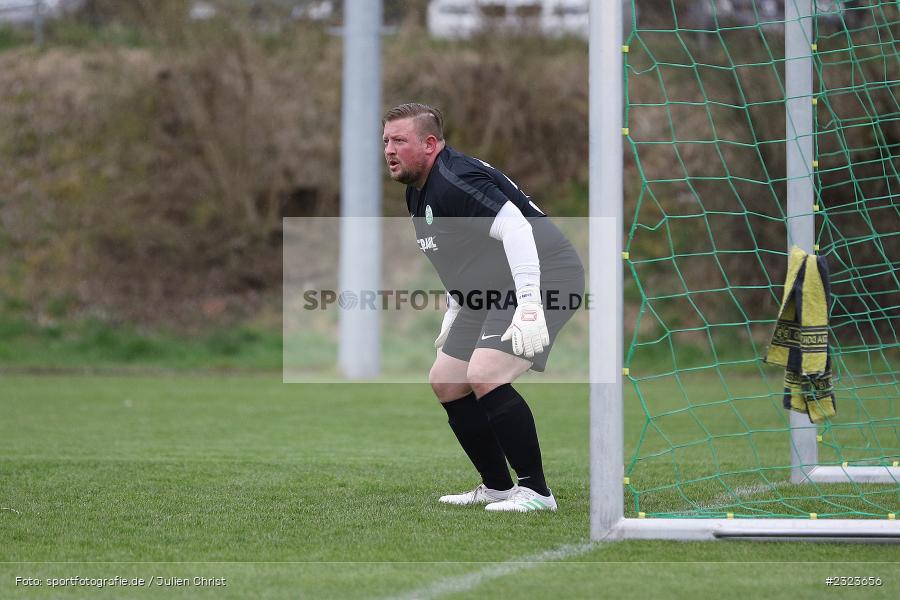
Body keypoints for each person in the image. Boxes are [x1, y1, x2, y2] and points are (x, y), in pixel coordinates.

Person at [382, 103, 584, 512]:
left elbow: (516, 228)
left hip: (544, 276)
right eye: (386, 140)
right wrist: (456, 308)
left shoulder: (454, 180)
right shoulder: (417, 192)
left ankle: (537, 492)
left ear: (430, 144)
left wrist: (529, 302)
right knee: (447, 379)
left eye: (399, 140)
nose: (389, 149)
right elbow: (461, 256)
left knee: (486, 372)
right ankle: (497, 488)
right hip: (491, 289)